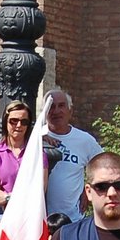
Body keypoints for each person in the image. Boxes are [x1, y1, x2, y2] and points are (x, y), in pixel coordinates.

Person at [42, 89, 102, 219]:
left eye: (61, 106)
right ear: (45, 111)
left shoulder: (84, 140)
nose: (56, 111)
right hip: (40, 220)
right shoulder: (36, 138)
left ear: (70, 110)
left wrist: (89, 187)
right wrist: (39, 140)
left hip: (73, 218)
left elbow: (103, 165)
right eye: (51, 106)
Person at [0, 99, 31, 209]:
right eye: (14, 121)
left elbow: (38, 192)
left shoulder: (38, 154)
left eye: (24, 122)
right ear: (5, 121)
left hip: (30, 216)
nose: (19, 125)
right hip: (4, 217)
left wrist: (7, 197)